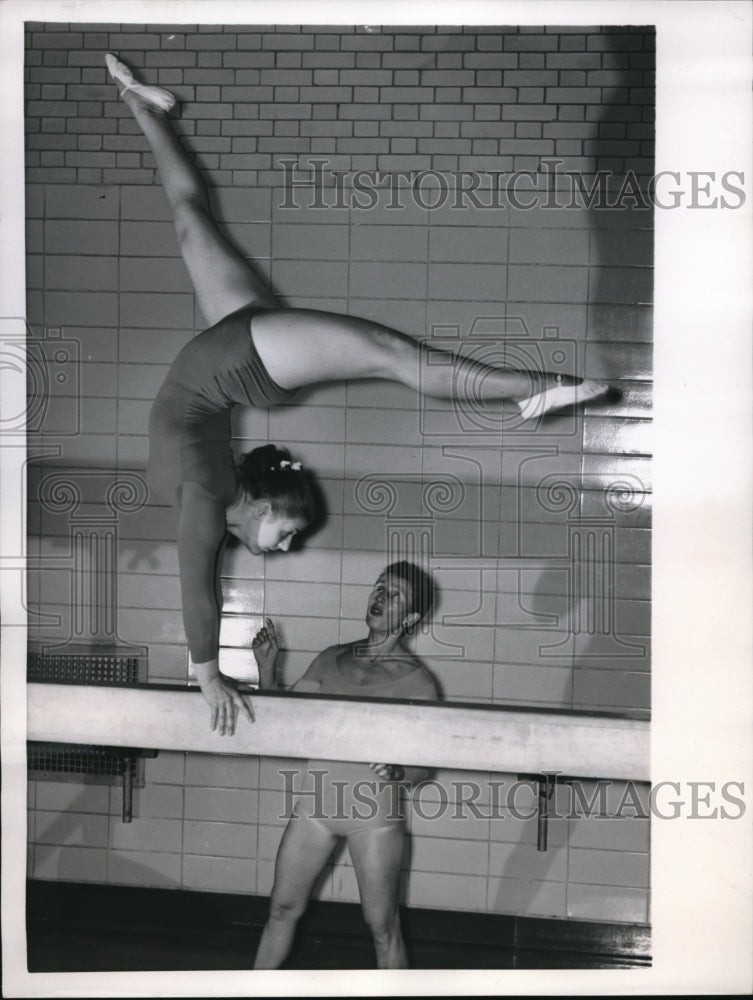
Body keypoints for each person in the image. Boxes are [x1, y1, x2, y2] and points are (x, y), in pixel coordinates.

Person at [105, 54, 610, 737]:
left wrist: (204, 670)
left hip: (236, 356)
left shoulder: (206, 503)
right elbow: (203, 576)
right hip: (242, 359)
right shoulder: (211, 500)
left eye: (284, 534)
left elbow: (197, 589)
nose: (284, 548)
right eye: (289, 538)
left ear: (260, 504)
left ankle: (535, 389)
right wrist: (208, 665)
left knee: (383, 349)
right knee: (206, 230)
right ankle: (524, 391)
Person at [250, 561, 440, 969]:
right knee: (281, 910)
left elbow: (426, 767)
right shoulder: (331, 657)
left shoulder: (419, 683)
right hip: (315, 809)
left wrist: (399, 771)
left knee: (382, 928)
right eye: (379, 587)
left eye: (395, 595)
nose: (380, 597)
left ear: (410, 619)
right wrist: (267, 670)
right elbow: (283, 724)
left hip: (373, 816)